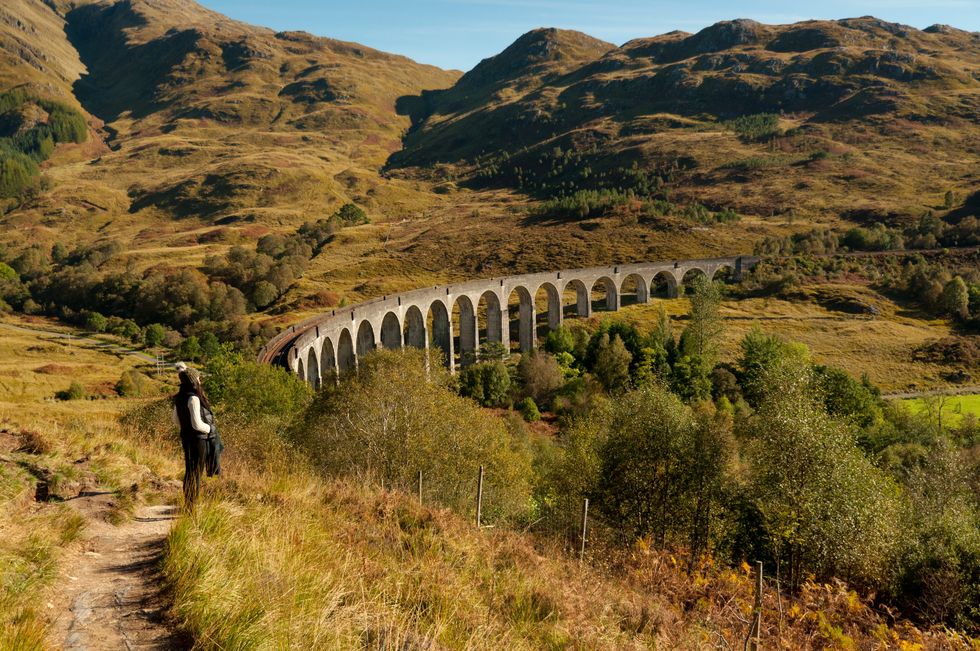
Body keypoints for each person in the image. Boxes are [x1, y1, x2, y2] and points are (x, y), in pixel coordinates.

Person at [172, 362, 223, 507]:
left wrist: (186, 427)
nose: (200, 381)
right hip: (198, 440)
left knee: (190, 471)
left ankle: (189, 503)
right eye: (198, 379)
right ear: (194, 381)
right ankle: (192, 506)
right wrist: (210, 429)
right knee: (196, 474)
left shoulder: (179, 397)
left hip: (186, 438)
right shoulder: (193, 398)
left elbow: (175, 420)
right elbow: (197, 424)